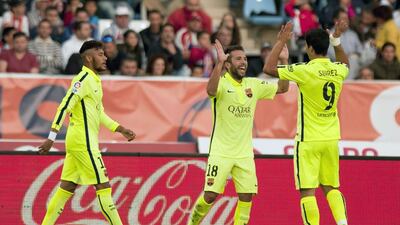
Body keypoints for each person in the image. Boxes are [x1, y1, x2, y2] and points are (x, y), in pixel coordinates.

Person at [187, 40, 289, 225]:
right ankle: (192, 223)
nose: (243, 62)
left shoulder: (253, 84)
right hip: (221, 152)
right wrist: (218, 63)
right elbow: (210, 90)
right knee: (210, 196)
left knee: (246, 196)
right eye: (238, 59)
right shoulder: (221, 82)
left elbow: (283, 88)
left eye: (244, 58)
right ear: (227, 64)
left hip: (244, 154)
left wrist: (283, 62)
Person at [38, 40, 135, 225]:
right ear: (89, 58)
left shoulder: (93, 80)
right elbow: (64, 106)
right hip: (84, 142)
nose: (105, 57)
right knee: (103, 186)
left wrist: (121, 129)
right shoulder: (82, 80)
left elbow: (99, 113)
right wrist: (51, 137)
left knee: (66, 187)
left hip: (79, 141)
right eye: (100, 54)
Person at [264, 21, 349, 225]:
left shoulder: (305, 70)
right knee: (331, 187)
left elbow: (268, 68)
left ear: (310, 48)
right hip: (331, 138)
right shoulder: (337, 70)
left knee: (307, 191)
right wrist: (336, 39)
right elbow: (346, 64)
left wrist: (280, 42)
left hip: (308, 139)